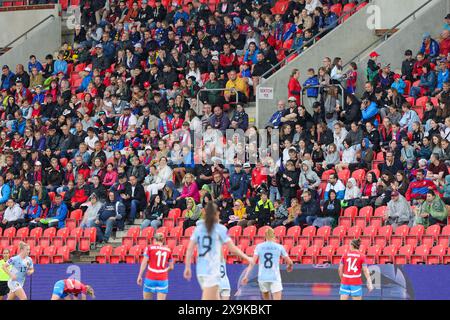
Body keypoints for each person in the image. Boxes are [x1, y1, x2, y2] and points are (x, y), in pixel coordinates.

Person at [183, 202, 253, 300]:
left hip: (201, 270)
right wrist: (247, 258)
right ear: (216, 214)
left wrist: (187, 266)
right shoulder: (220, 229)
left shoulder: (198, 229)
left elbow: (190, 249)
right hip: (212, 269)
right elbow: (232, 248)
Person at [241, 227, 293, 300]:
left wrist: (246, 276)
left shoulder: (259, 246)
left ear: (265, 236)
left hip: (262, 277)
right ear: (274, 235)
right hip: (274, 277)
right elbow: (289, 261)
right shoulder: (279, 247)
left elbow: (252, 262)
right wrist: (289, 266)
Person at [137, 233, 174, 300]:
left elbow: (144, 262)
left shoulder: (149, 248)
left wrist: (140, 275)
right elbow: (171, 267)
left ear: (154, 239)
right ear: (163, 240)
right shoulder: (168, 250)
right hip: (162, 279)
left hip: (150, 277)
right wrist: (164, 271)